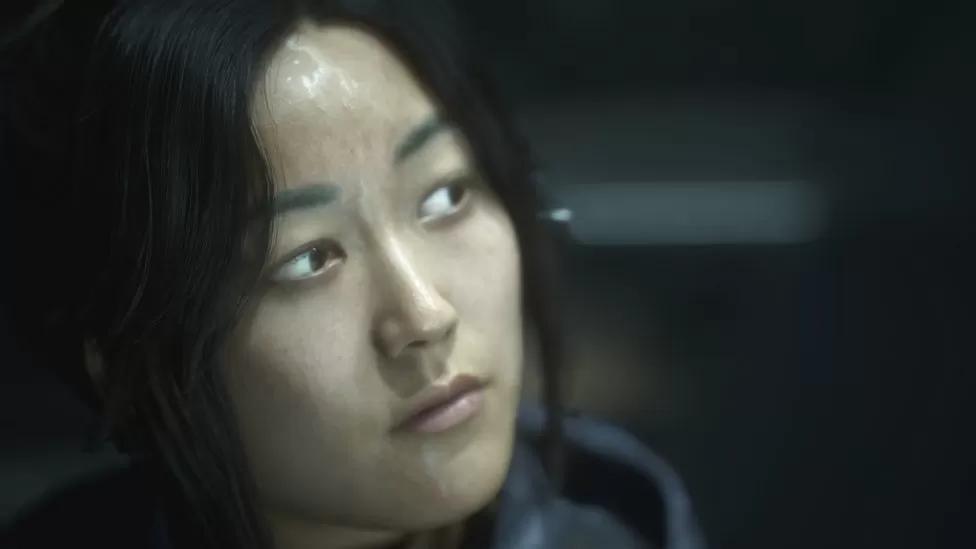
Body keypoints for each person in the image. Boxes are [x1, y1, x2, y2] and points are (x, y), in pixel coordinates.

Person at [1, 1, 705, 548]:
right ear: (127, 371)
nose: (425, 316)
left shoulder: (625, 521)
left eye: (445, 196)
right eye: (308, 259)